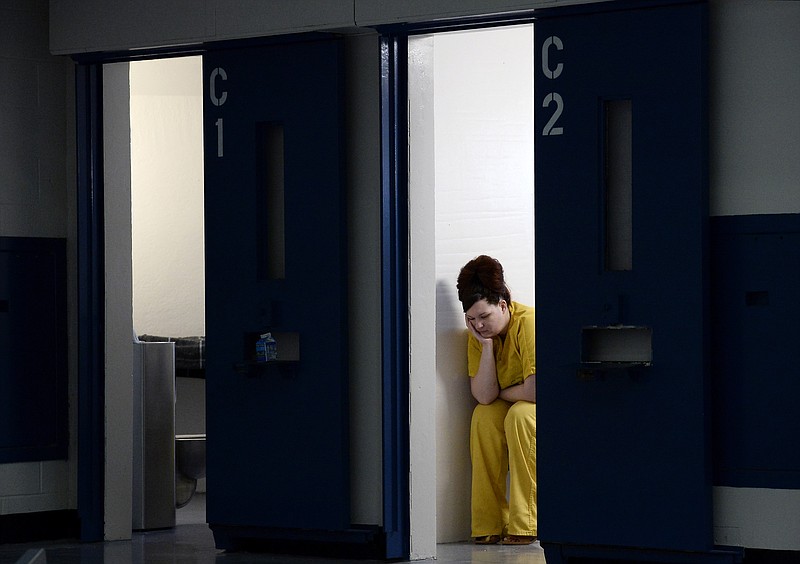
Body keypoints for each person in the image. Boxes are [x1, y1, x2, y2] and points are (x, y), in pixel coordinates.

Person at [456, 255, 537, 546]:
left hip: (539, 409)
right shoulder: (479, 337)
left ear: (502, 305)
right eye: (471, 319)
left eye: (484, 317)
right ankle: (488, 523)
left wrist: (503, 393)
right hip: (514, 400)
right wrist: (487, 348)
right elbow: (483, 396)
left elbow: (536, 392)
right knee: (483, 417)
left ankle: (526, 522)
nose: (478, 325)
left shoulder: (528, 323)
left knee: (520, 415)